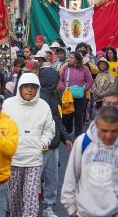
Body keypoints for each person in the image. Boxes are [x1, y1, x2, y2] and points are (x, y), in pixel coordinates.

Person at [61, 106, 118, 217]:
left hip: (116, 213)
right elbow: (70, 177)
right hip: (84, 213)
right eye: (104, 130)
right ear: (96, 125)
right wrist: (71, 209)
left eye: (114, 131)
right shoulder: (82, 142)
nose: (109, 136)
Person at [2, 73, 55, 217]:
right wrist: (6, 145)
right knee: (14, 196)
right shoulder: (8, 104)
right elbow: (1, 127)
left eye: (33, 87)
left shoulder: (43, 106)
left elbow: (49, 129)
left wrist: (42, 143)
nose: (29, 90)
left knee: (31, 196)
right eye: (26, 86)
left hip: (34, 159)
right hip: (14, 158)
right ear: (19, 87)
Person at [38, 67, 72, 217]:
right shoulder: (38, 97)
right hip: (40, 145)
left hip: (53, 144)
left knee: (51, 177)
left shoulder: (52, 96)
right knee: (37, 177)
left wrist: (66, 138)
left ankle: (47, 206)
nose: (60, 83)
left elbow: (57, 119)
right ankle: (39, 206)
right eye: (58, 80)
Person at [59, 51, 93, 137]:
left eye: (71, 57)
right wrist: (64, 89)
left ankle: (78, 136)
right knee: (67, 116)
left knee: (79, 116)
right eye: (69, 57)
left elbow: (90, 81)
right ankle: (68, 133)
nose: (69, 59)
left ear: (77, 60)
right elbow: (60, 80)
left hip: (80, 97)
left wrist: (83, 90)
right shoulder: (65, 68)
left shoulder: (84, 68)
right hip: (67, 97)